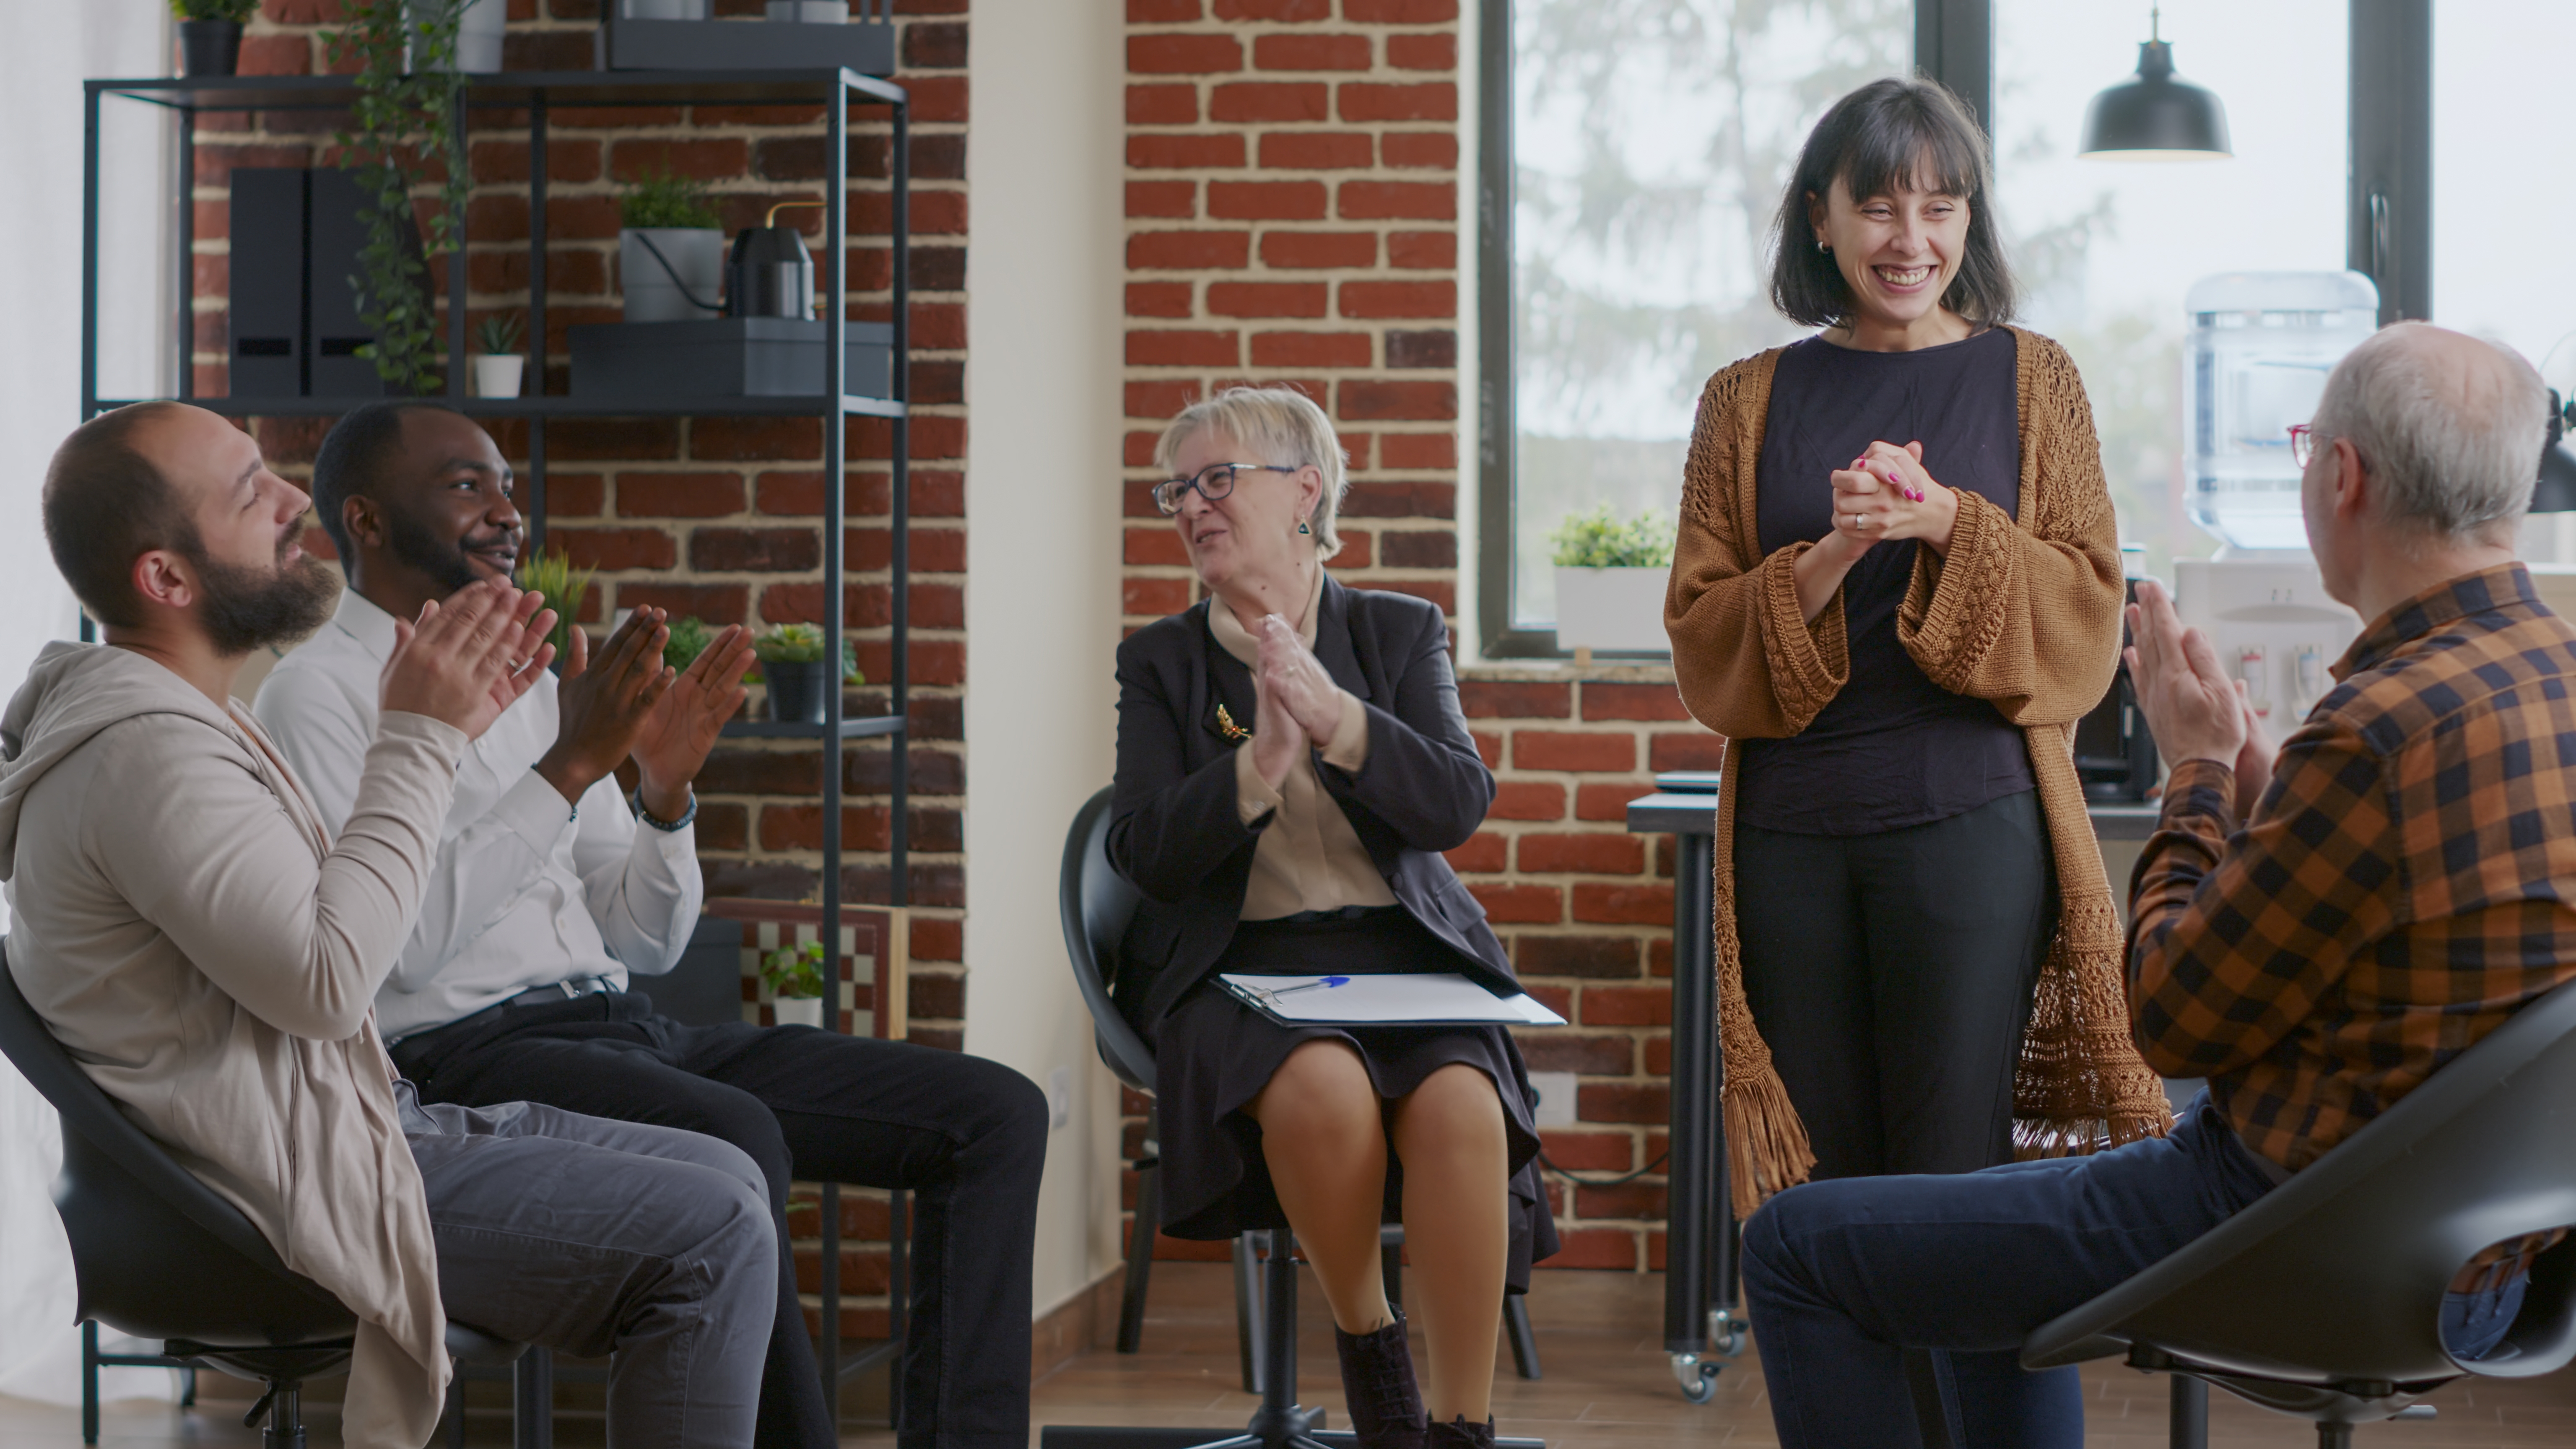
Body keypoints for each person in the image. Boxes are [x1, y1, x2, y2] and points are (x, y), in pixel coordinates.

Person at [1736, 321, 2576, 1446]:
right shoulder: (2540, 682)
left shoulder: (2376, 730)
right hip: (2494, 1260)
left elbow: (2171, 1021)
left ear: (2341, 476)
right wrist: (2270, 781)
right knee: (1983, 1243)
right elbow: (2426, 900)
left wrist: (2195, 770)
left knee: (1795, 1247)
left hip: (2293, 1230)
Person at [254, 400, 1047, 1449]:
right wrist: (568, 768)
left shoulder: (534, 691)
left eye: (506, 486)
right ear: (363, 517)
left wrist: (664, 795)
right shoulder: (316, 696)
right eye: (467, 486)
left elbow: (642, 940)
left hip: (621, 1026)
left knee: (993, 1115)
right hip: (464, 1061)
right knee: (734, 1133)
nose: (506, 512)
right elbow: (388, 958)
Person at [3, 401, 781, 1449]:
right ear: (168, 580)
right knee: (717, 1228)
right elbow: (333, 982)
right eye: (249, 493)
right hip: (262, 1187)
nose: (292, 504)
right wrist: (420, 735)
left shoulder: (188, 725)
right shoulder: (149, 755)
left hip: (340, 1124)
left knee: (729, 1171)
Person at [1664, 73, 2170, 1432]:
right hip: (1787, 843)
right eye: (1876, 203)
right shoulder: (1744, 400)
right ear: (1818, 221)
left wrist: (1951, 520)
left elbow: (2083, 619)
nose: (1910, 235)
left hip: (1973, 836)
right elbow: (1704, 645)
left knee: (1967, 1191)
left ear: (1968, 221)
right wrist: (1830, 552)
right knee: (1823, 1200)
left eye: (1939, 205)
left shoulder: (2032, 377)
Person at [1110, 386, 1557, 1449]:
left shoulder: (1399, 631)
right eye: (1179, 488)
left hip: (1400, 955)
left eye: (1219, 479)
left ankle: (1463, 1427)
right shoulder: (1161, 664)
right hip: (1237, 965)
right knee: (1324, 1089)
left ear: (1305, 490)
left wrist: (1339, 721)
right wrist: (1257, 767)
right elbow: (1143, 859)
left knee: (1460, 1106)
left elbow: (1456, 803)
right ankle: (1377, 1368)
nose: (1191, 505)